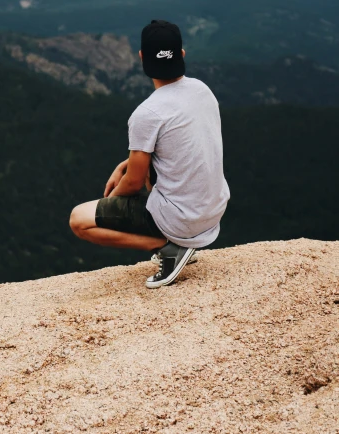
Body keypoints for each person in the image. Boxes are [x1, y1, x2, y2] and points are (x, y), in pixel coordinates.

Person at [69, 19, 230, 288]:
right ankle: (177, 242)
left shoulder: (147, 113)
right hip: (213, 211)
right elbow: (183, 146)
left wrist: (112, 204)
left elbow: (133, 182)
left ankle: (169, 246)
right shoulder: (203, 91)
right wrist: (125, 165)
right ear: (182, 55)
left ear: (142, 58)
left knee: (79, 220)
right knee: (138, 169)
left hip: (183, 222)